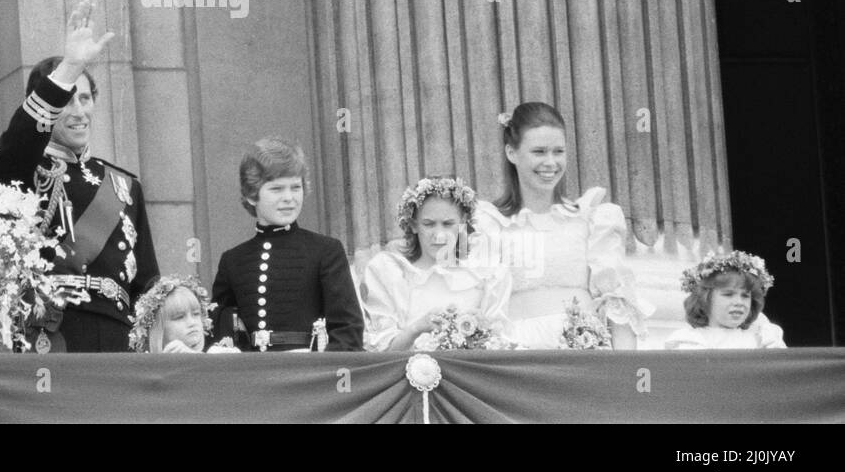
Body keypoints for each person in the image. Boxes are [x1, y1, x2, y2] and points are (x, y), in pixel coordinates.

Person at [0, 0, 159, 353]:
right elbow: (19, 142)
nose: (79, 112)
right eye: (67, 100)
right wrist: (70, 66)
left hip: (118, 337)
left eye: (85, 99)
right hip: (52, 334)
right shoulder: (20, 171)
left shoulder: (125, 186)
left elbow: (146, 282)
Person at [474, 103, 652, 349]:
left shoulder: (592, 220)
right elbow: (476, 306)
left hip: (585, 357)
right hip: (518, 358)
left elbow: (617, 305)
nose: (551, 162)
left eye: (558, 151)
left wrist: (627, 378)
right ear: (511, 153)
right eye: (539, 151)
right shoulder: (489, 223)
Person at [210, 137, 364, 352]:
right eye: (277, 189)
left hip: (309, 374)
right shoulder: (232, 260)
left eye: (295, 187)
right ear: (252, 195)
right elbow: (219, 327)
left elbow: (348, 331)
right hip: (253, 376)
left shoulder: (326, 251)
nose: (289, 198)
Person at [361, 176, 511, 351]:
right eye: (429, 224)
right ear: (414, 225)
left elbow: (499, 346)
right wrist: (417, 328)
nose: (439, 235)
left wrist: (482, 329)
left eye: (448, 224)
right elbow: (381, 351)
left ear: (463, 224)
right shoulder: (390, 273)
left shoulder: (486, 276)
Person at [665, 250, 786, 349]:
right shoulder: (690, 340)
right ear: (704, 299)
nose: (739, 303)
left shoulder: (761, 338)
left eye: (745, 296)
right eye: (728, 294)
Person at [128, 275, 235, 353]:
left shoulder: (220, 354)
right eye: (179, 317)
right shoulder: (145, 372)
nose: (192, 323)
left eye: (196, 314)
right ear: (157, 330)